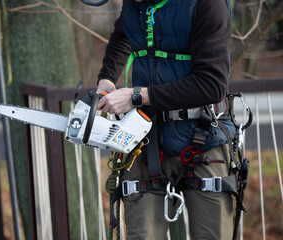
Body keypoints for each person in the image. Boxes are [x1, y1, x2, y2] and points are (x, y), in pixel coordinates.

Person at [94, 0, 238, 239]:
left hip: (203, 138)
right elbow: (122, 35)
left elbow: (212, 85)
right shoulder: (133, 5)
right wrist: (107, 78)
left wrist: (137, 96)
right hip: (144, 139)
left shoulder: (208, 4)